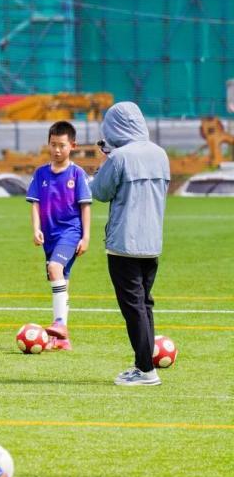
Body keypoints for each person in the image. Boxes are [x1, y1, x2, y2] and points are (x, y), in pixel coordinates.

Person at [90, 102, 170, 386]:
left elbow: (100, 191)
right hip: (152, 241)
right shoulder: (160, 154)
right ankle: (144, 364)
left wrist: (106, 160)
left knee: (133, 307)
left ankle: (146, 370)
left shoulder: (120, 157)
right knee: (144, 304)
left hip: (124, 243)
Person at [26, 121, 92, 351]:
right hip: (50, 236)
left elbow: (85, 206)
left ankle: (60, 324)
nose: (57, 150)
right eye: (53, 144)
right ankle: (62, 339)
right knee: (61, 280)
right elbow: (35, 204)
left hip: (70, 232)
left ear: (72, 146)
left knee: (55, 268)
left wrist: (86, 237)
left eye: (62, 145)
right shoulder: (41, 173)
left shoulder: (77, 173)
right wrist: (36, 229)